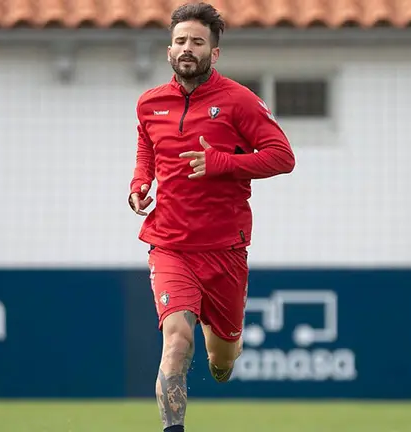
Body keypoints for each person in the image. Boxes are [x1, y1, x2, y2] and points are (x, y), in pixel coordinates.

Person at [128, 3, 296, 431]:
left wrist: (222, 162)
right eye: (181, 41)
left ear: (214, 53)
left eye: (197, 42)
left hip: (224, 250)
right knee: (176, 341)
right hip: (170, 244)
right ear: (169, 49)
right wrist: (140, 184)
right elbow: (147, 150)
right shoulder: (149, 104)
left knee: (221, 362)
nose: (188, 48)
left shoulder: (239, 101)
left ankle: (222, 343)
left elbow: (282, 157)